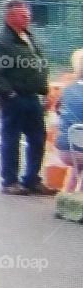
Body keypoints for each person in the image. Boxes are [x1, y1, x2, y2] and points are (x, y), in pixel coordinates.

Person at [0, 0, 55, 195]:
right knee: (11, 139)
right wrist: (10, 94)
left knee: (38, 138)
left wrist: (45, 90)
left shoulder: (29, 37)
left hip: (33, 97)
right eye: (23, 15)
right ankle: (10, 181)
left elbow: (40, 65)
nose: (28, 18)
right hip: (14, 99)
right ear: (10, 17)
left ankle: (32, 180)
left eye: (28, 14)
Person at [54, 49, 83, 192]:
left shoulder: (67, 90)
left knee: (77, 167)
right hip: (80, 148)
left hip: (65, 148)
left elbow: (58, 111)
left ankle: (68, 195)